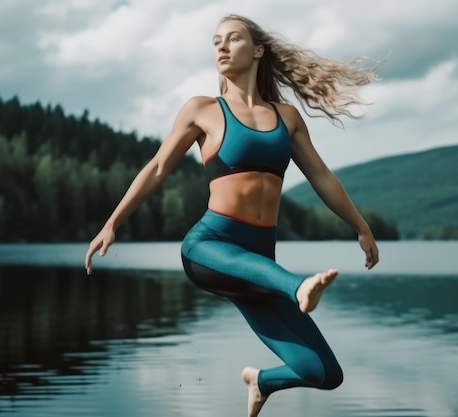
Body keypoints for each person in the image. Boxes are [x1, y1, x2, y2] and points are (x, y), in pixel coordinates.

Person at [85, 14, 379, 417]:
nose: (221, 47)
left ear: (257, 50)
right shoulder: (202, 110)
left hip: (259, 269)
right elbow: (156, 169)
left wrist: (361, 227)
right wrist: (111, 223)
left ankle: (260, 382)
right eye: (216, 41)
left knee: (324, 372)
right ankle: (299, 288)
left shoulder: (286, 118)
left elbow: (322, 177)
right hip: (210, 248)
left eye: (233, 39)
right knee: (282, 283)